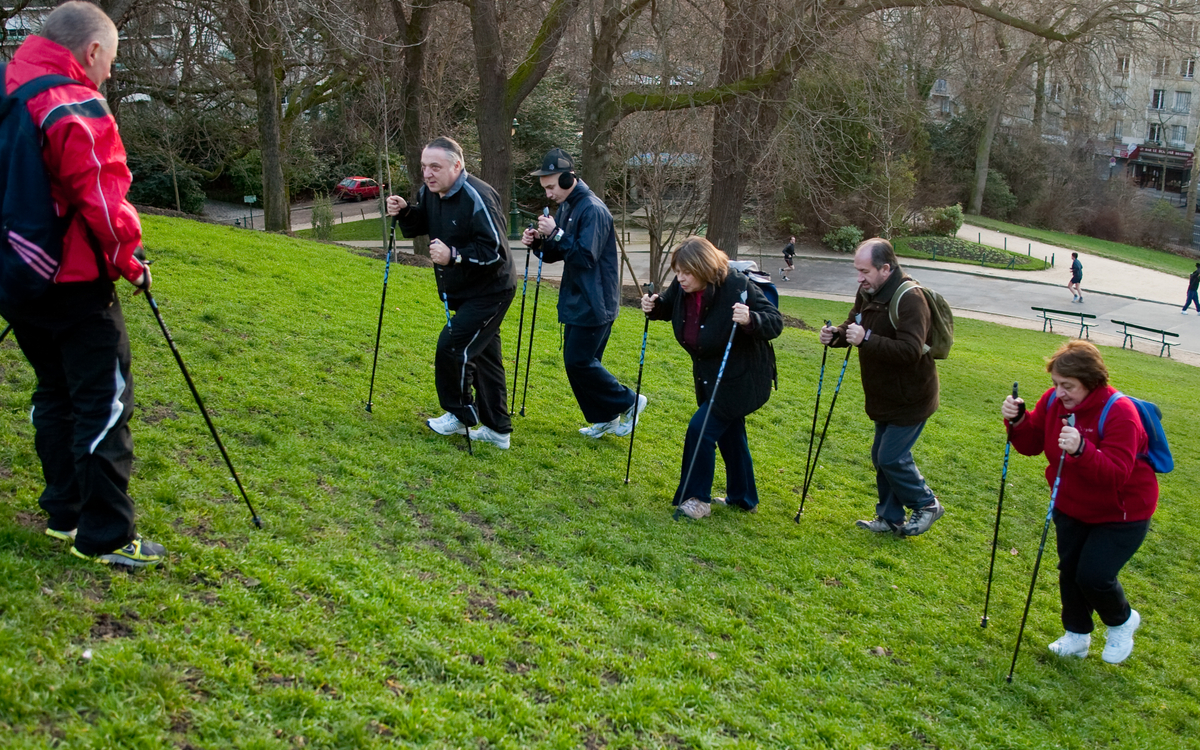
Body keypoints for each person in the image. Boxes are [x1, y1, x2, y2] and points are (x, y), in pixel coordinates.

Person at [0, 2, 163, 567]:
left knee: (54, 393)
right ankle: (107, 536)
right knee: (104, 404)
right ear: (91, 51)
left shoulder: (9, 85)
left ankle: (64, 512)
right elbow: (103, 197)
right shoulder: (73, 103)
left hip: (18, 278)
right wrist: (133, 263)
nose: (111, 74)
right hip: (75, 280)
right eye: (111, 60)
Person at [1000, 340, 1156, 664]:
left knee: (1094, 575)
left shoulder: (1120, 413)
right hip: (1071, 503)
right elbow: (1031, 444)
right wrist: (1017, 421)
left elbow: (1117, 472)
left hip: (1122, 512)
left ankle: (1122, 621)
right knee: (1069, 571)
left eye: (1068, 386)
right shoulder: (1054, 402)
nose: (1059, 392)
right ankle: (1076, 636)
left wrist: (1082, 450)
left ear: (1091, 382)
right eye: (1056, 384)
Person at [386, 137, 516, 449]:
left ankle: (460, 415)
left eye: (435, 167)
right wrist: (405, 212)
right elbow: (424, 221)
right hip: (464, 290)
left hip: (492, 290)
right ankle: (498, 431)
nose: (427, 173)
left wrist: (454, 255)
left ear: (457, 166)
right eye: (424, 167)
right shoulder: (430, 193)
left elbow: (495, 251)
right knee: (486, 358)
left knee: (453, 345)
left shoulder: (478, 196)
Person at [641, 237, 782, 520]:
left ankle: (697, 499)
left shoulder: (737, 286)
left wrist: (750, 319)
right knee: (730, 434)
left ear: (704, 268)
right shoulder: (683, 288)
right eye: (677, 271)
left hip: (742, 379)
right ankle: (744, 498)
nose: (680, 278)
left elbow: (775, 321)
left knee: (700, 429)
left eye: (687, 272)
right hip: (710, 378)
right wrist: (654, 307)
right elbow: (669, 306)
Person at [819, 238, 943, 537]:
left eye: (865, 271)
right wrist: (835, 335)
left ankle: (927, 504)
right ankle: (890, 518)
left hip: (911, 396)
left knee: (890, 457)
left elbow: (910, 350)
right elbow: (855, 324)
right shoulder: (869, 291)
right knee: (881, 456)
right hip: (883, 395)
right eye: (857, 271)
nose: (859, 278)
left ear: (886, 268)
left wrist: (867, 339)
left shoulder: (911, 298)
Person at [521, 149, 645, 438]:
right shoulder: (567, 206)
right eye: (545, 188)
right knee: (582, 364)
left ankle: (630, 401)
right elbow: (559, 254)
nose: (549, 194)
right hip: (577, 298)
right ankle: (604, 419)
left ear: (567, 179)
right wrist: (538, 243)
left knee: (578, 362)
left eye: (551, 186)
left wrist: (557, 234)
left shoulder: (593, 210)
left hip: (595, 301)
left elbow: (585, 257)